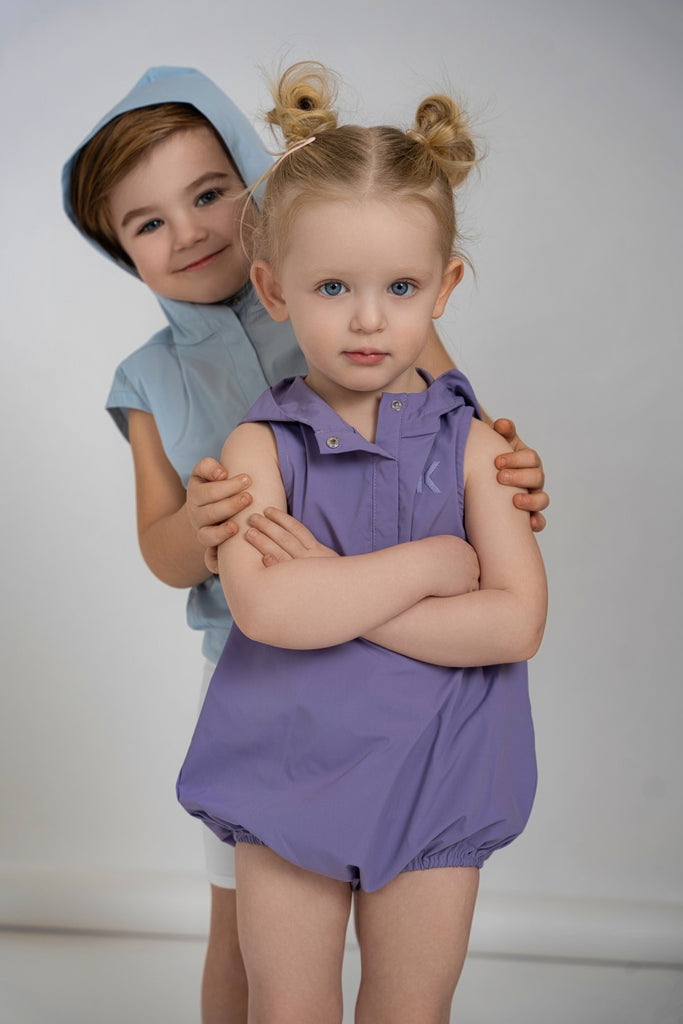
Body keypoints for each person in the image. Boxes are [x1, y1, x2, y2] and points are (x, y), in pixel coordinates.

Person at [63, 66, 548, 1024]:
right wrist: (206, 531)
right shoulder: (159, 381)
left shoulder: (358, 285)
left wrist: (509, 473)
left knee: (402, 981)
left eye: (210, 194)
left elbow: (466, 438)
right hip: (260, 685)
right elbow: (185, 563)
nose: (190, 230)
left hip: (427, 705)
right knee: (247, 952)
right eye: (148, 222)